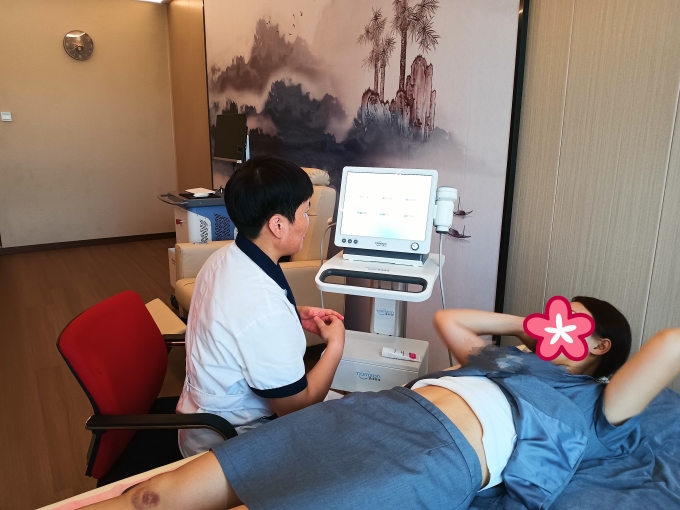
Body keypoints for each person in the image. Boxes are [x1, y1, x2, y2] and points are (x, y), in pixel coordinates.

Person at [86, 297, 680, 510]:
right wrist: (526, 324)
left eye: (574, 322)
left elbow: (671, 345)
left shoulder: (599, 405)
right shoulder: (504, 359)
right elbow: (450, 320)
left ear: (601, 346)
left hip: (436, 457)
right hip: (375, 411)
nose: (556, 325)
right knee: (154, 495)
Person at [175, 155, 346, 457]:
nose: (308, 223)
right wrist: (336, 346)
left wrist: (294, 313)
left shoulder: (226, 257)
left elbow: (239, 319)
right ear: (278, 225)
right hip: (231, 440)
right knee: (352, 431)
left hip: (205, 413)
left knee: (347, 412)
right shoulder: (262, 305)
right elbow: (296, 407)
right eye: (305, 212)